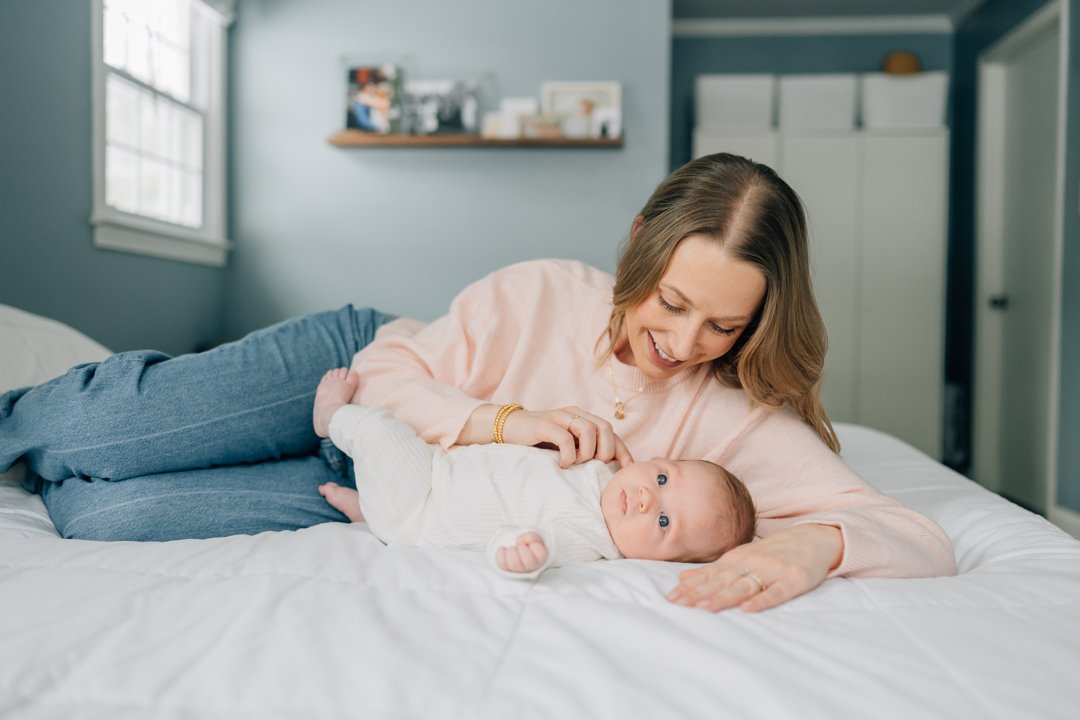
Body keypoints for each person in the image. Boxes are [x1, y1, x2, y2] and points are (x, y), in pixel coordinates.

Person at [0, 153, 957, 612]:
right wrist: (504, 421)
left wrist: (814, 548)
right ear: (639, 246)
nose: (682, 342)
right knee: (95, 435)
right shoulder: (546, 292)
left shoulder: (734, 420)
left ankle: (62, 462)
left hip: (398, 493)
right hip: (356, 371)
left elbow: (914, 535)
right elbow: (388, 376)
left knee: (105, 515)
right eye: (670, 302)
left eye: (723, 325)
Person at [311, 368, 756, 578]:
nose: (646, 499)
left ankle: (331, 416)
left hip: (422, 505)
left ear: (661, 563)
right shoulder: (601, 471)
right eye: (662, 480)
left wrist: (525, 553)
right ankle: (368, 513)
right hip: (439, 469)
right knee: (399, 451)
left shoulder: (590, 537)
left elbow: (539, 542)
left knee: (380, 429)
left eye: (663, 521)